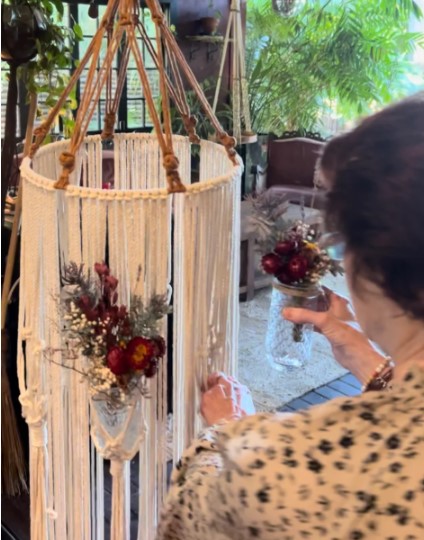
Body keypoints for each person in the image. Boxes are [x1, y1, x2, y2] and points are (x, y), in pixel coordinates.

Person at [157, 94, 424, 540]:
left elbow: (189, 519)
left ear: (373, 264)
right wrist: (371, 365)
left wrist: (227, 435)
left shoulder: (284, 468)